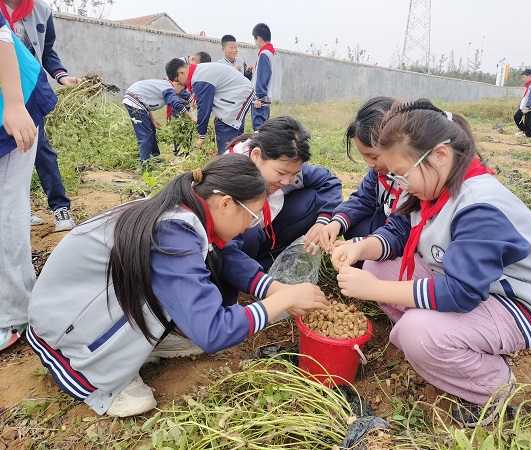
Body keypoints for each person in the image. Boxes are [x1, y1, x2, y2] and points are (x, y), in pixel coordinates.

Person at [27, 154, 330, 417]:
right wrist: (280, 301)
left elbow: (226, 254)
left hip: (92, 303)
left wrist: (274, 289)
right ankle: (93, 369)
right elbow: (213, 331)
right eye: (251, 218)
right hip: (66, 325)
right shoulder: (173, 231)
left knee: (198, 331)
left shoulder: (189, 209)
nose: (248, 228)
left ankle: (138, 347)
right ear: (226, 203)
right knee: (189, 349)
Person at [331, 99, 531, 427]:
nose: (401, 185)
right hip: (468, 286)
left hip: (518, 305)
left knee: (416, 332)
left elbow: (462, 292)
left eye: (402, 175)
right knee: (375, 266)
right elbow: (398, 233)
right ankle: (448, 340)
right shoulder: (431, 188)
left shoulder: (479, 204)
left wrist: (377, 290)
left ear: (440, 155)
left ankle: (493, 387)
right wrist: (359, 247)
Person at [0, 9, 57, 351]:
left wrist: (15, 104)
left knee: (6, 208)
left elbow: (1, 39)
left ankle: (12, 313)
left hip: (14, 102)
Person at [1, 0, 79, 231]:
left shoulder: (41, 11)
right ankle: (18, 211)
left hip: (28, 93)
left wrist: (61, 76)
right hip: (3, 97)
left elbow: (47, 51)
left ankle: (59, 207)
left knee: (39, 148)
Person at [226, 116, 342, 270]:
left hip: (267, 229)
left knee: (311, 199)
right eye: (281, 173)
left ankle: (269, 261)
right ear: (256, 155)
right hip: (236, 241)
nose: (287, 181)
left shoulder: (288, 166)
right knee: (251, 234)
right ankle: (247, 272)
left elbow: (330, 182)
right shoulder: (229, 176)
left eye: (294, 173)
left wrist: (324, 221)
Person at [318, 97, 405, 253]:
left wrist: (360, 245)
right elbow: (363, 198)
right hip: (388, 228)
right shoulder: (378, 172)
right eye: (364, 157)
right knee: (352, 225)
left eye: (374, 157)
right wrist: (337, 222)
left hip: (405, 238)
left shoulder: (413, 180)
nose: (370, 164)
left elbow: (404, 228)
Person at [165, 59, 255, 155]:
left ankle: (227, 162)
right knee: (229, 130)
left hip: (239, 93)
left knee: (225, 126)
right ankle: (237, 158)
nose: (180, 84)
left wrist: (202, 135)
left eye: (177, 81)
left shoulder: (199, 78)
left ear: (181, 72)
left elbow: (204, 108)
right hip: (236, 93)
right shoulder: (199, 72)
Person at [123, 78, 197, 166]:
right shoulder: (169, 89)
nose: (179, 93)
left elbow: (145, 102)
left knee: (151, 130)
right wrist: (191, 117)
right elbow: (176, 104)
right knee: (145, 135)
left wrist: (153, 120)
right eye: (182, 90)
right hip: (134, 102)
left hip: (137, 101)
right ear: (177, 84)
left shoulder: (165, 86)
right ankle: (144, 165)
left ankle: (155, 157)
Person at [251, 23, 275, 131]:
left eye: (255, 39)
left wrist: (258, 97)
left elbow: (262, 76)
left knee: (258, 131)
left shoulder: (264, 53)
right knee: (264, 130)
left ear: (259, 38)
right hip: (266, 100)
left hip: (261, 100)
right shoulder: (272, 53)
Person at [513, 69, 531, 139]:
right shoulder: (528, 84)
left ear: (529, 76)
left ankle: (529, 136)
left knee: (528, 121)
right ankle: (524, 130)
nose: (522, 79)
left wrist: (527, 107)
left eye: (524, 77)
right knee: (517, 117)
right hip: (524, 105)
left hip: (530, 106)